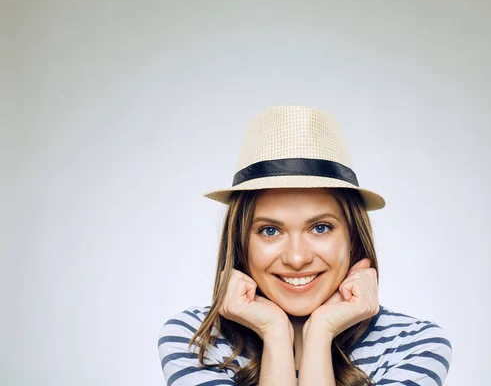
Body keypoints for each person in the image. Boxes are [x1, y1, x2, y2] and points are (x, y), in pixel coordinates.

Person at [157, 106, 453, 385]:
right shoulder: (194, 339)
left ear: (353, 239)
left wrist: (320, 333)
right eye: (270, 230)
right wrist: (274, 332)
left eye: (320, 228)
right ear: (239, 241)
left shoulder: (415, 344)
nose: (297, 258)